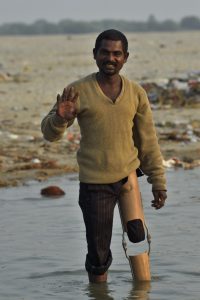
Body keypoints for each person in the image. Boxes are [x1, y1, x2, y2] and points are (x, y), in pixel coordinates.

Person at [41, 29, 167, 283]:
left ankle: (142, 292)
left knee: (138, 240)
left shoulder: (136, 93)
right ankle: (99, 293)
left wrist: (158, 182)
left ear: (126, 57)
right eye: (105, 53)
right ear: (95, 55)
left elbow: (148, 142)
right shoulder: (77, 91)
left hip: (128, 177)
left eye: (117, 53)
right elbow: (49, 133)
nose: (111, 58)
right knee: (98, 255)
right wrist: (59, 118)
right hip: (95, 184)